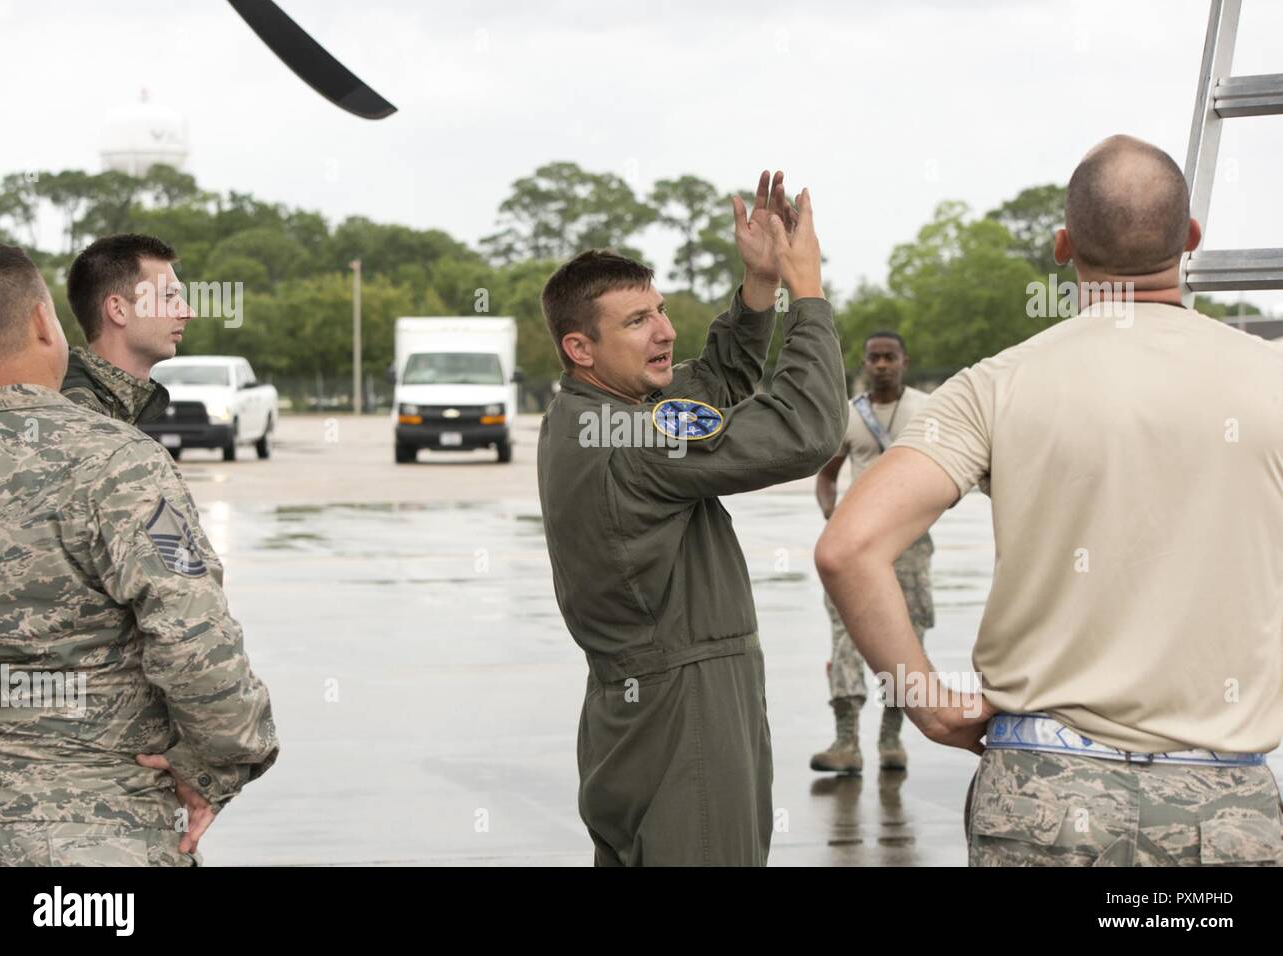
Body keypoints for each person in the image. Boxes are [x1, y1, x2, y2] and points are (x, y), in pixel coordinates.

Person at [816, 135, 1283, 866]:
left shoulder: (996, 384)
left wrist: (927, 701)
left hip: (1044, 795)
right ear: (1192, 238)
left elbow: (849, 548)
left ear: (1064, 246)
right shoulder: (1271, 378)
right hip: (1223, 806)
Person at [537, 172, 847, 865]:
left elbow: (707, 389)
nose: (665, 330)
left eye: (661, 310)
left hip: (632, 710)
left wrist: (760, 286)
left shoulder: (584, 415)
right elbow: (805, 429)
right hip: (688, 715)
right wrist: (808, 293)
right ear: (580, 348)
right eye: (638, 320)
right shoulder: (629, 442)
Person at [0, 242, 278, 866]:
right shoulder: (117, 462)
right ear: (42, 323)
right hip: (86, 830)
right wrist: (216, 766)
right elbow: (196, 638)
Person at [810, 331, 934, 774]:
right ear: (864, 363)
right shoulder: (849, 415)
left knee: (908, 634)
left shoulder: (926, 411)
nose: (881, 365)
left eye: (889, 357)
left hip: (910, 545)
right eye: (873, 358)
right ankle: (846, 742)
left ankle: (890, 738)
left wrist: (926, 511)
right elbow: (827, 477)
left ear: (904, 360)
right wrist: (833, 516)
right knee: (846, 635)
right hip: (856, 542)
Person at [61, 233, 193, 425]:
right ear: (118, 309)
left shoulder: (112, 405)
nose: (187, 312)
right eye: (168, 296)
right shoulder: (79, 416)